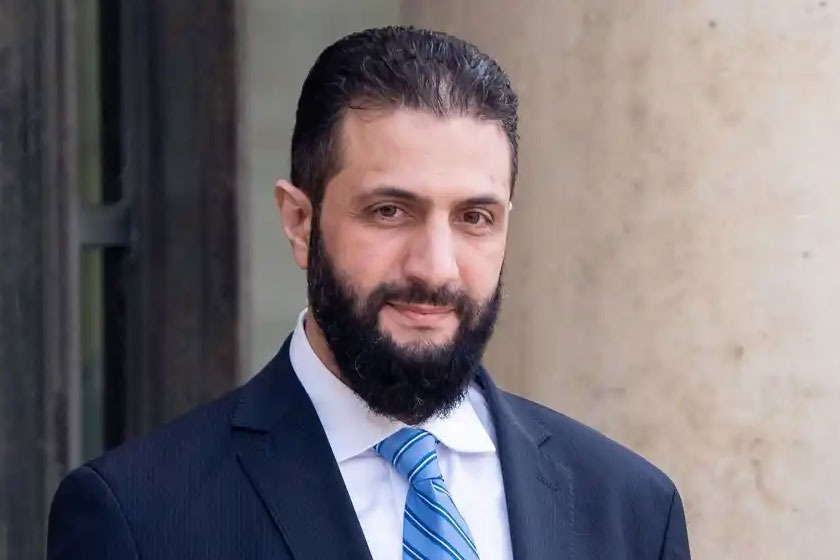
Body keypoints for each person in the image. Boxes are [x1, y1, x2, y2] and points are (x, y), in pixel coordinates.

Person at [47, 25, 691, 560]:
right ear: (299, 222)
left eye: (474, 217)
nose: (435, 269)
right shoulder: (140, 517)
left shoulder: (631, 510)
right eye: (389, 211)